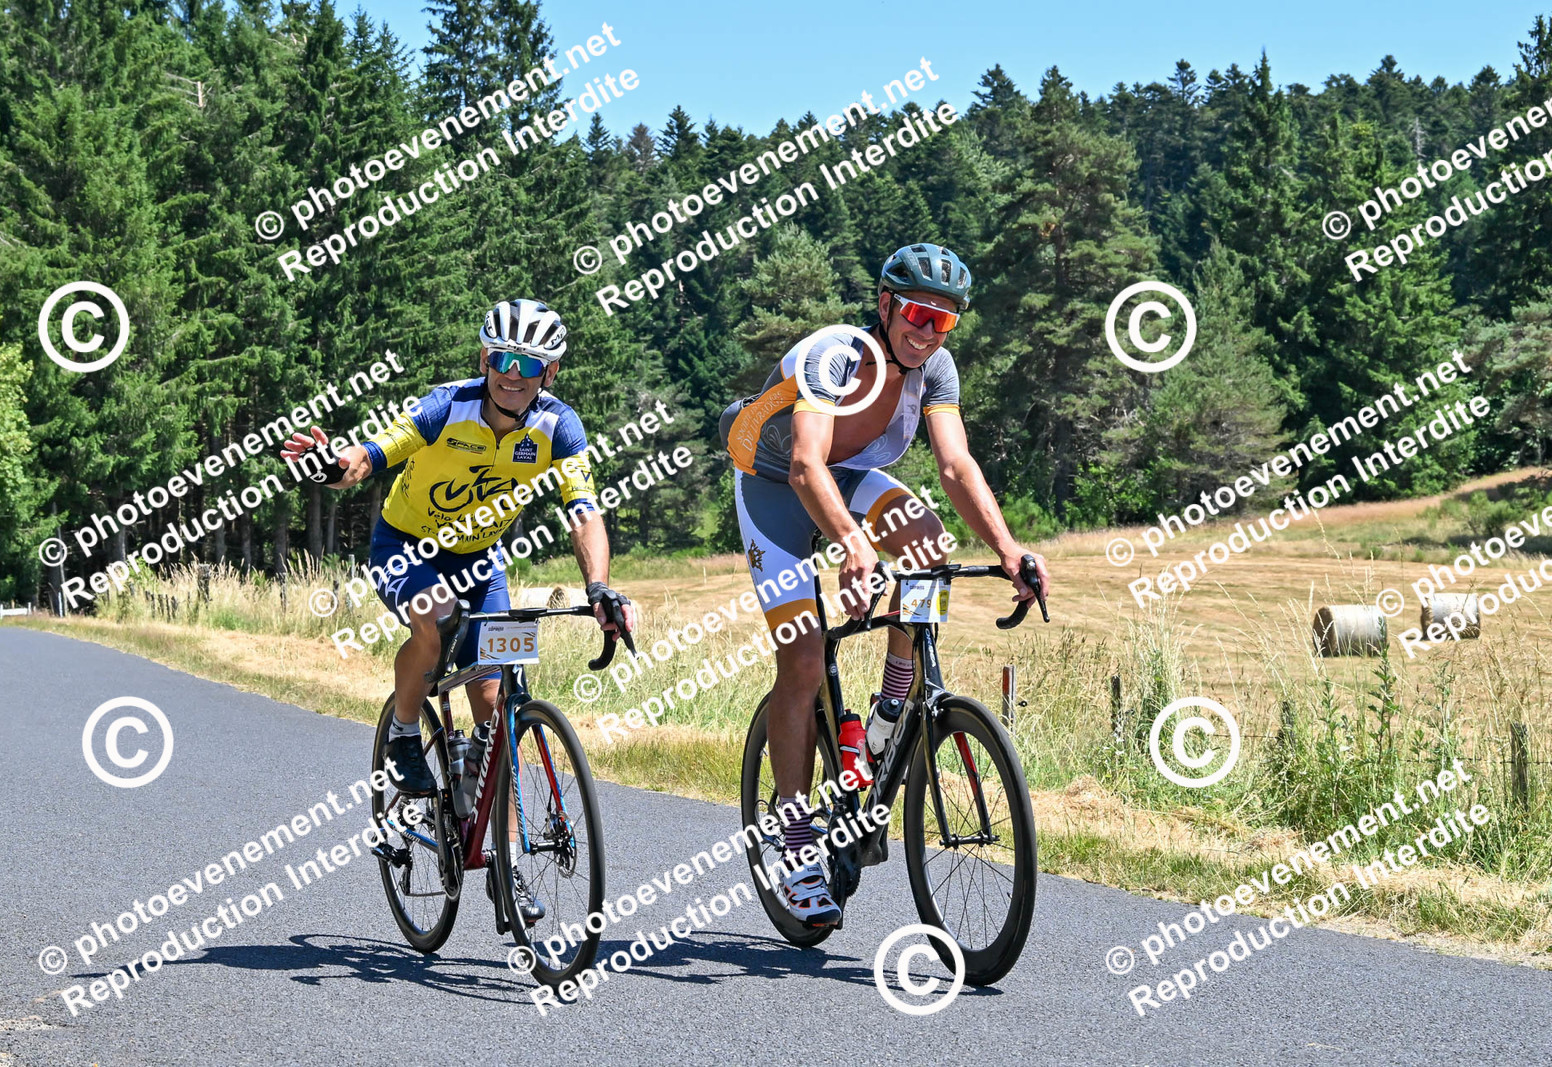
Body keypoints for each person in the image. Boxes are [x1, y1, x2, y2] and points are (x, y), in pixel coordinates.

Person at [718, 244, 1052, 927]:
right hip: (775, 484)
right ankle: (796, 838)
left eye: (944, 321)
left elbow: (956, 466)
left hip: (846, 478)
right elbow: (807, 464)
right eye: (918, 314)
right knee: (803, 659)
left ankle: (886, 716)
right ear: (885, 305)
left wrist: (1010, 550)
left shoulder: (935, 370)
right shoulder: (833, 355)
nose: (928, 332)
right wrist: (853, 544)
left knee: (929, 547)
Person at [281, 298, 635, 806]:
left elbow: (583, 511)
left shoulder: (559, 427)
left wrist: (598, 586)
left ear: (550, 372)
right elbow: (368, 457)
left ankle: (501, 840)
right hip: (407, 548)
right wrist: (332, 468)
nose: (512, 374)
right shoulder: (446, 407)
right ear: (485, 359)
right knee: (438, 617)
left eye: (529, 364)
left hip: (480, 561)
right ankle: (404, 731)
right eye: (502, 359)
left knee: (498, 713)